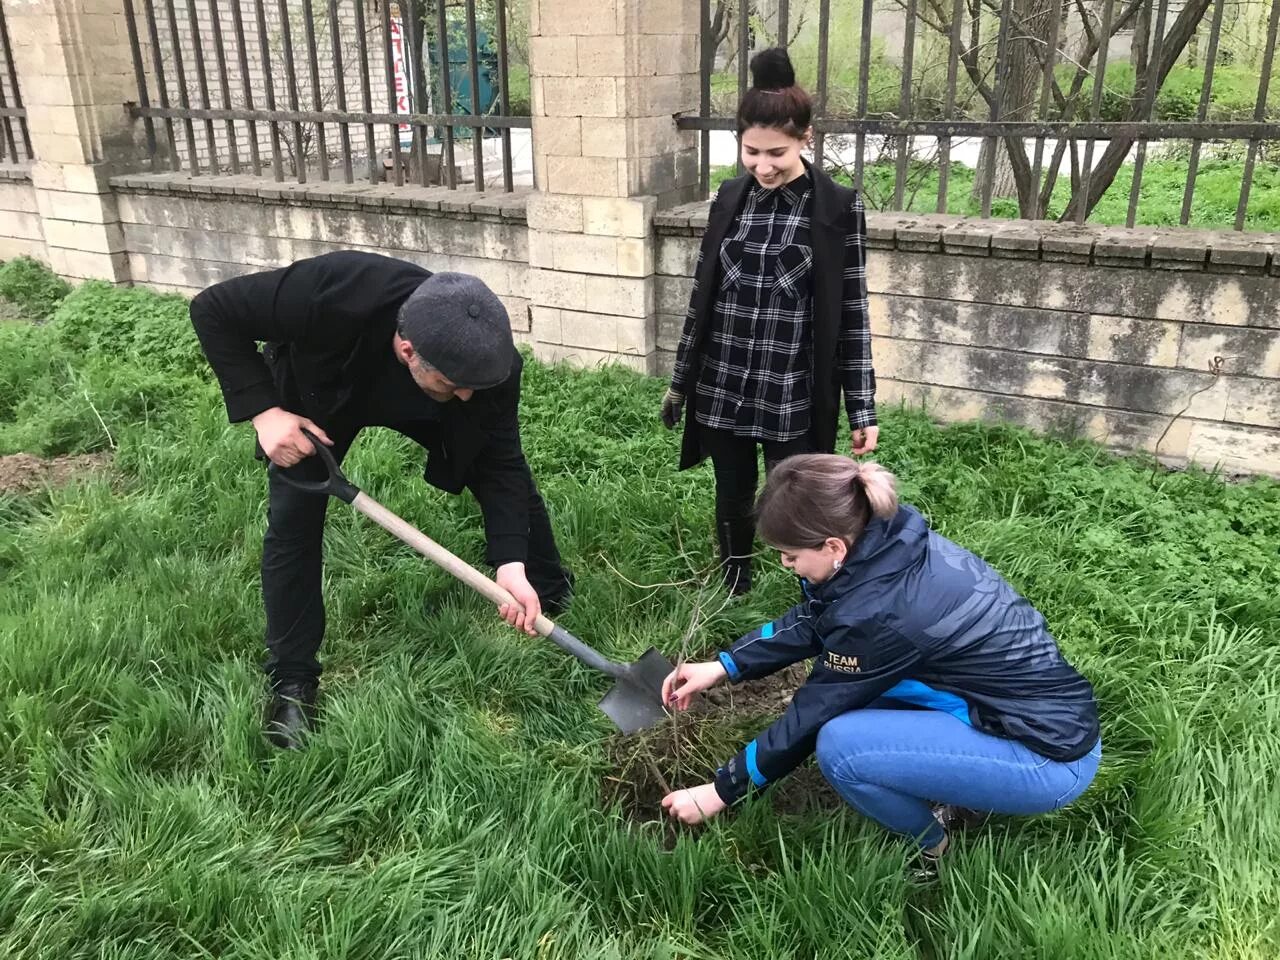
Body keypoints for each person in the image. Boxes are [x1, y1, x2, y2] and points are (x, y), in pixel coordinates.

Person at [190, 251, 574, 749]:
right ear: (408, 349)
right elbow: (212, 309)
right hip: (324, 391)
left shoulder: (487, 368)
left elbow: (501, 464)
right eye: (455, 386)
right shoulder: (331, 289)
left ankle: (545, 583)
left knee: (506, 474)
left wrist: (510, 563)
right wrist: (265, 413)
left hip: (419, 398)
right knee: (293, 523)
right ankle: (293, 683)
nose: (466, 397)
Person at [659, 455, 1101, 875]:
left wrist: (719, 791)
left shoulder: (882, 613)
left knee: (840, 745)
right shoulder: (883, 546)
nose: (785, 564)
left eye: (791, 556)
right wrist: (724, 665)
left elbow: (812, 716)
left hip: (1044, 757)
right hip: (1024, 715)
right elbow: (821, 619)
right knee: (865, 699)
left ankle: (933, 844)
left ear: (833, 545)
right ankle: (961, 785)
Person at [661, 47, 878, 596]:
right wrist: (680, 383)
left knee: (797, 499)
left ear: (807, 138)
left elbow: (851, 310)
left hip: (791, 388)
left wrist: (862, 406)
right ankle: (734, 583)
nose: (762, 166)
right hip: (724, 380)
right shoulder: (729, 197)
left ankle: (806, 595)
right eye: (751, 151)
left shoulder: (836, 207)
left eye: (776, 152)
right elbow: (701, 297)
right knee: (732, 492)